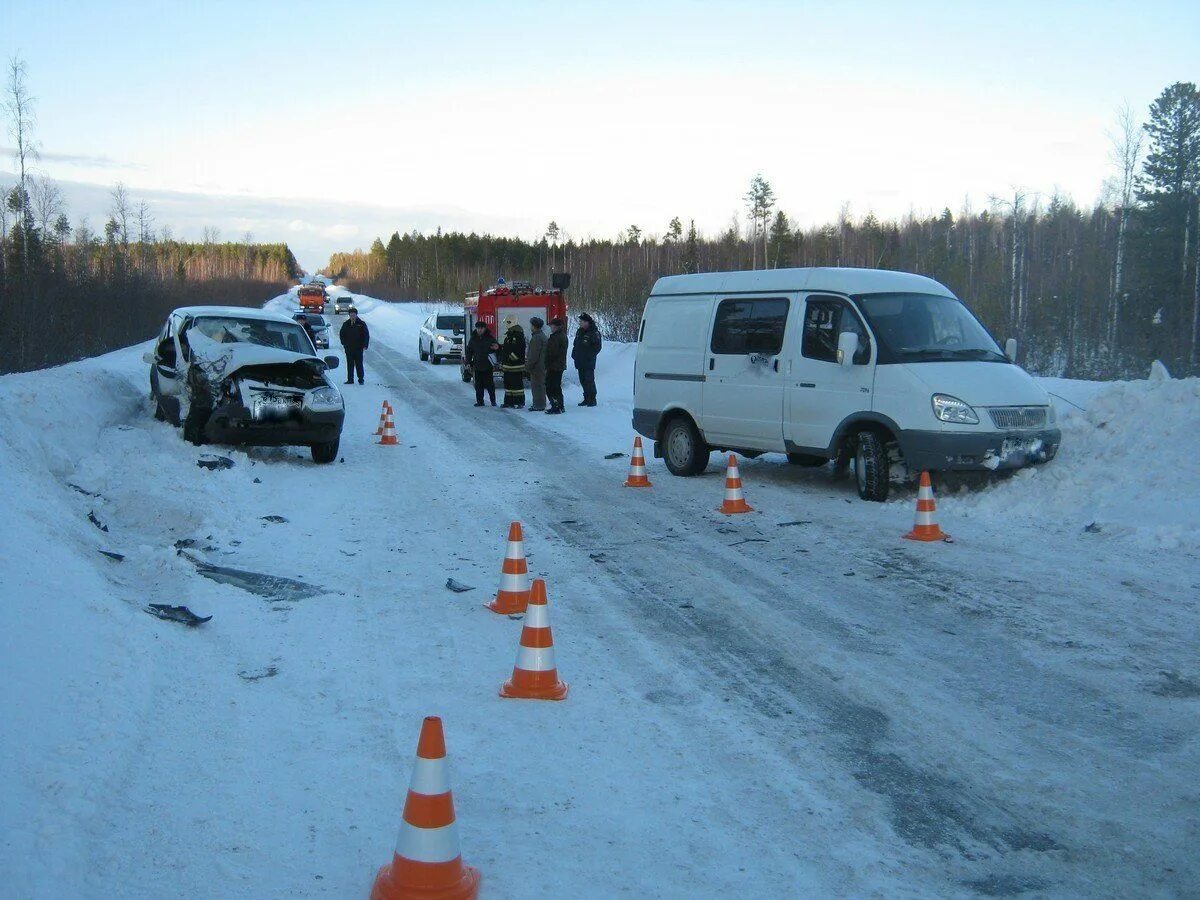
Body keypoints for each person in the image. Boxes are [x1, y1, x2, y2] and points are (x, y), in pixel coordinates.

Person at [465, 320, 499, 407]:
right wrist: (468, 362)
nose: (480, 330)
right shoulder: (473, 339)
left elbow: (497, 350)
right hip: (477, 365)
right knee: (478, 385)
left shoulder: (490, 338)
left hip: (488, 365)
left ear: (484, 329)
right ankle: (480, 401)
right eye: (478, 328)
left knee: (490, 385)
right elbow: (469, 352)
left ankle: (493, 401)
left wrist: (497, 352)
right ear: (476, 328)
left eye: (481, 328)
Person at [571, 312, 602, 406]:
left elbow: (597, 347)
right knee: (583, 380)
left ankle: (592, 400)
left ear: (587, 322)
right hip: (579, 361)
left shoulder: (594, 332)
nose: (580, 323)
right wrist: (574, 354)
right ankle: (586, 398)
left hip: (588, 362)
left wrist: (589, 356)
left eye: (582, 321)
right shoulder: (580, 331)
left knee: (589, 380)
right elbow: (576, 344)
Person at [499, 316, 527, 408]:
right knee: (508, 385)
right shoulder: (509, 335)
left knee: (517, 385)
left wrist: (511, 358)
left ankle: (519, 402)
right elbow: (507, 349)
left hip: (515, 366)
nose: (506, 325)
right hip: (508, 366)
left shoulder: (518, 336)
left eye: (507, 323)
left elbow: (519, 350)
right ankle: (509, 402)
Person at [339, 307, 369, 385]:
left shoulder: (361, 324)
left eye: (354, 315)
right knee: (350, 364)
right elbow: (342, 334)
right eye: (351, 315)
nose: (352, 316)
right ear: (349, 315)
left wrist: (365, 344)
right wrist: (344, 343)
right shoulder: (346, 324)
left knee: (359, 364)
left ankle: (361, 379)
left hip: (358, 348)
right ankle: (350, 380)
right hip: (349, 348)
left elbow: (366, 335)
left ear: (356, 315)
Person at [544, 318, 568, 414]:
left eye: (552, 326)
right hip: (558, 365)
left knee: (551, 386)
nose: (551, 327)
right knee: (556, 386)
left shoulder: (557, 337)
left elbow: (552, 352)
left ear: (556, 326)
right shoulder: (560, 336)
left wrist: (547, 362)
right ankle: (559, 405)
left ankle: (556, 406)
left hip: (554, 365)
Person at [525, 316, 548, 412]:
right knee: (540, 385)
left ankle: (538, 405)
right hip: (542, 365)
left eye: (531, 325)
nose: (530, 327)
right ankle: (540, 403)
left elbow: (533, 354)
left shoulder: (537, 338)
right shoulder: (542, 336)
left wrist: (528, 365)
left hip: (537, 366)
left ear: (534, 326)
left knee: (537, 386)